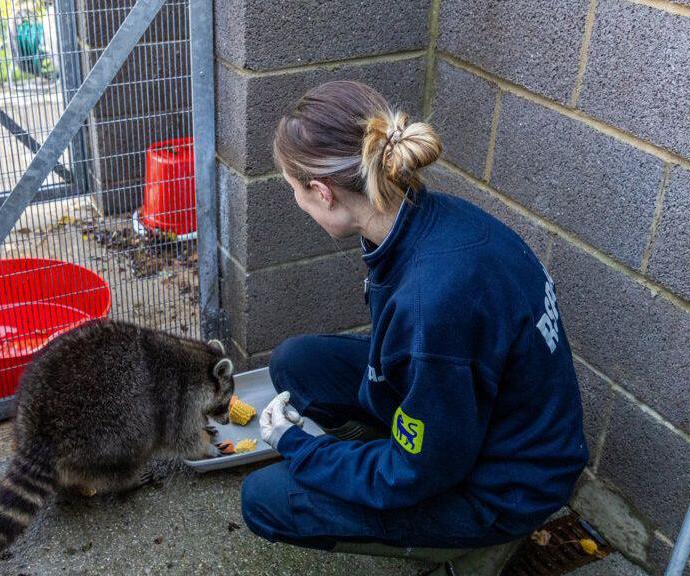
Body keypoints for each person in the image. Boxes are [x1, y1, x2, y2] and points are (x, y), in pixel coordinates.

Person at [242, 80, 589, 552]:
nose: (296, 203)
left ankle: (460, 539)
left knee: (265, 497)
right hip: (472, 417)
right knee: (294, 364)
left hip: (504, 486)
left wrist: (299, 446)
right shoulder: (427, 217)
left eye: (294, 191)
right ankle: (378, 454)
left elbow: (415, 472)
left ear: (323, 193)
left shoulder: (433, 303)